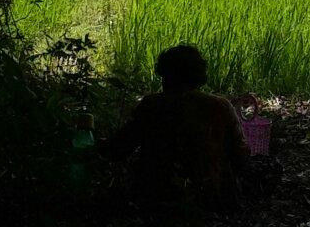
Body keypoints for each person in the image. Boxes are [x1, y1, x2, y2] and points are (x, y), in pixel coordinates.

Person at [101, 44, 250, 207]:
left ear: (166, 76)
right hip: (210, 197)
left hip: (155, 195)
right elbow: (240, 156)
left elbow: (119, 148)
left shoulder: (151, 105)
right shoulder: (220, 106)